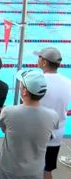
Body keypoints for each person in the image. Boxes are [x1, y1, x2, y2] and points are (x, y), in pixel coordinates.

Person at [0, 70, 59, 179]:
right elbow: (48, 136)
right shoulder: (53, 115)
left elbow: (4, 129)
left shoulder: (8, 112)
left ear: (24, 91)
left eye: (21, 83)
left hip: (10, 170)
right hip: (35, 171)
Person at [34, 47, 71, 179]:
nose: (37, 60)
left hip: (37, 132)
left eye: (39, 57)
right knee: (47, 170)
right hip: (57, 133)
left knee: (28, 167)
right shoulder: (68, 83)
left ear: (44, 62)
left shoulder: (36, 82)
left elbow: (27, 107)